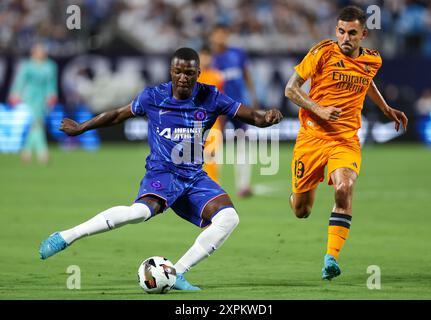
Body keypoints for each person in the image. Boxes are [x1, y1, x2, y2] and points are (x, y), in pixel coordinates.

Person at [38, 48, 283, 290]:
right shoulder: (153, 97)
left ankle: (177, 273)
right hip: (162, 174)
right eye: (178, 72)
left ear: (198, 73)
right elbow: (117, 115)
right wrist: (82, 127)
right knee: (139, 213)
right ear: (171, 71)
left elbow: (252, 116)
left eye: (189, 72)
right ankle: (66, 236)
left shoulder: (212, 97)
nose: (183, 78)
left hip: (194, 177)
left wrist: (267, 117)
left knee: (229, 217)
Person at [284, 6, 408, 280]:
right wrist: (319, 109)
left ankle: (331, 258)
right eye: (341, 31)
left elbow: (366, 81)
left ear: (363, 34)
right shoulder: (322, 52)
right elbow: (290, 89)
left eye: (352, 33)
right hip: (312, 138)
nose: (345, 38)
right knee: (301, 210)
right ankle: (297, 194)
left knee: (344, 187)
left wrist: (386, 108)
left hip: (345, 139)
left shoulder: (373, 60)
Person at [209, 24, 259, 198]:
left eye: (224, 33)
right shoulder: (210, 59)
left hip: (238, 106)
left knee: (243, 144)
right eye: (218, 34)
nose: (221, 37)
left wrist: (253, 97)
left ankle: (244, 185)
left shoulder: (237, 53)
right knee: (214, 146)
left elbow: (246, 75)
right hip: (217, 109)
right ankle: (213, 184)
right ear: (212, 37)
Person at [8, 43, 58, 164]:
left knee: (35, 125)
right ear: (34, 52)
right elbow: (20, 80)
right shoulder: (27, 65)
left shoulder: (50, 65)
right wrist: (15, 93)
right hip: (30, 96)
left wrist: (52, 95)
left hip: (43, 97)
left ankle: (26, 151)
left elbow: (51, 83)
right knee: (37, 123)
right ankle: (43, 152)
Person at [198, 45, 225, 183]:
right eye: (202, 55)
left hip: (213, 124)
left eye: (207, 56)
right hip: (194, 124)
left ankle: (214, 186)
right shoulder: (192, 76)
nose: (205, 59)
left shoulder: (217, 77)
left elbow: (222, 102)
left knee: (212, 157)